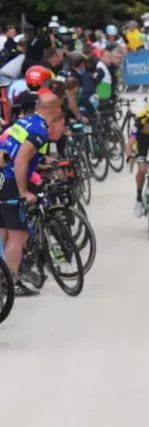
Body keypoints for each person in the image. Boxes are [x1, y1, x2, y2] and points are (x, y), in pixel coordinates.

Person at [0, 92, 65, 296]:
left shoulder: (26, 122)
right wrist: (24, 191)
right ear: (55, 111)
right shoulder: (40, 130)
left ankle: (4, 280)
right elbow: (21, 159)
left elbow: (12, 151)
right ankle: (10, 285)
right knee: (18, 235)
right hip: (10, 182)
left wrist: (42, 161)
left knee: (5, 232)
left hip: (2, 177)